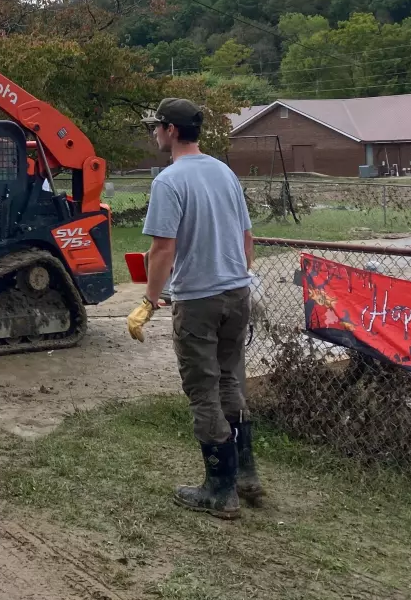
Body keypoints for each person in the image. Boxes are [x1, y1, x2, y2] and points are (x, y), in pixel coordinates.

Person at [140, 98, 262, 519]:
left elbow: (162, 249)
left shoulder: (170, 181)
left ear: (171, 131)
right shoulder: (223, 172)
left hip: (198, 300)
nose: (155, 133)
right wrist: (235, 276)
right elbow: (247, 237)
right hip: (237, 292)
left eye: (157, 127)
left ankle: (219, 490)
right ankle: (246, 475)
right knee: (230, 379)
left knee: (203, 389)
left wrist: (150, 297)